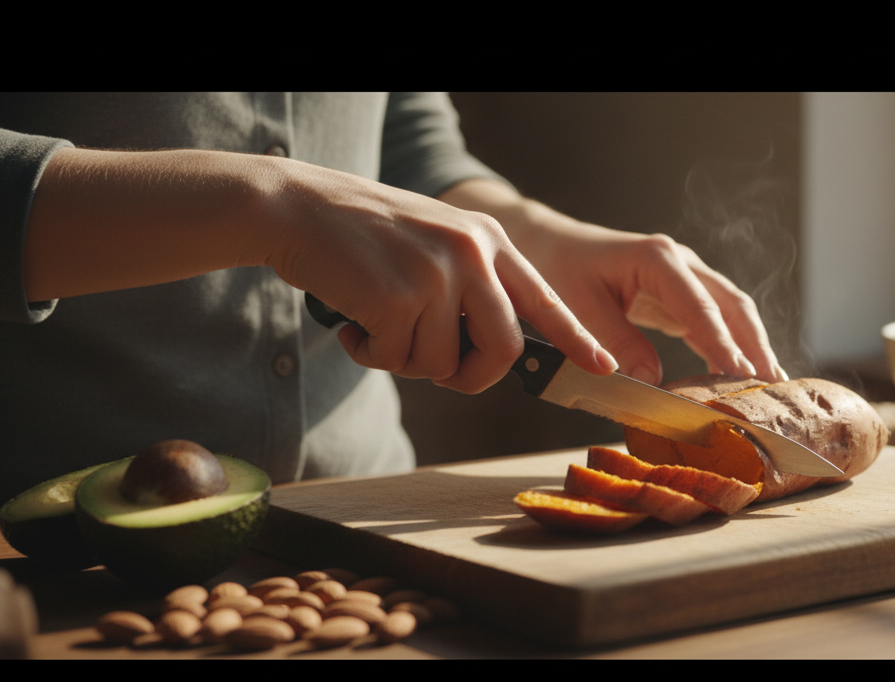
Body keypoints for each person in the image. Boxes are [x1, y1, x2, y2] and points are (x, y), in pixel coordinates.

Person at [0, 93, 784, 498]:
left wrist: (531, 238)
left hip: (364, 516)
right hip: (58, 543)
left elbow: (402, 130)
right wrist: (266, 206)